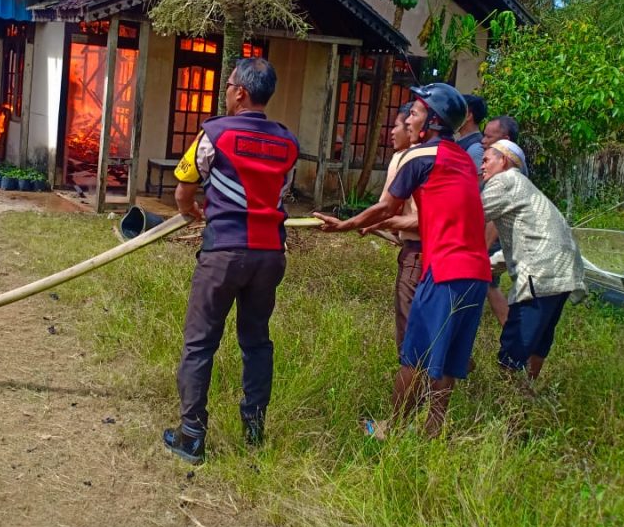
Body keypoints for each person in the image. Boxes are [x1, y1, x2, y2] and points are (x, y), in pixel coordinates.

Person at [314, 83, 490, 438]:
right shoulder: (463, 162)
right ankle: (433, 430)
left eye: (415, 112)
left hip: (445, 270)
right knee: (449, 357)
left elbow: (387, 205)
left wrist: (345, 224)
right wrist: (384, 224)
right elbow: (439, 214)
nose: (408, 118)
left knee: (415, 353)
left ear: (433, 121)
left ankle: (391, 429)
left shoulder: (419, 156)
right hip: (477, 272)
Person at [163, 57, 299, 465]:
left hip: (224, 252)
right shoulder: (289, 144)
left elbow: (184, 188)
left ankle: (191, 436)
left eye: (228, 86)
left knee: (200, 342)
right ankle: (254, 430)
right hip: (270, 255)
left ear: (240, 92)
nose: (225, 92)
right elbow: (281, 192)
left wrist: (193, 213)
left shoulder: (214, 134)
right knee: (256, 342)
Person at [480, 139, 586, 381]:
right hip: (564, 272)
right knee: (540, 340)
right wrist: (487, 266)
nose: (482, 166)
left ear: (503, 160)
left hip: (540, 272)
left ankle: (508, 404)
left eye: (486, 160)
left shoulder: (504, 181)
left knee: (515, 344)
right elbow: (528, 244)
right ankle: (527, 390)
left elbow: (469, 214)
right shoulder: (525, 187)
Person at [376, 102, 422, 351]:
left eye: (396, 126)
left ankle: (414, 382)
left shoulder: (406, 157)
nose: (392, 132)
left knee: (409, 328)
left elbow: (386, 208)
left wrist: (351, 223)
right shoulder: (443, 155)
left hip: (417, 251)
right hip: (443, 253)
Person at [480, 112, 522, 325]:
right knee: (487, 284)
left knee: (486, 282)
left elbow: (496, 217)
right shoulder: (509, 167)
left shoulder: (506, 174)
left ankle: (511, 331)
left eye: (489, 137)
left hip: (500, 239)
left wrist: (482, 247)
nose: (483, 141)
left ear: (505, 141)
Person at [456, 94, 487, 170]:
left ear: (468, 115)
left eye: (457, 111)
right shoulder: (463, 141)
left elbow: (479, 180)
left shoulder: (476, 148)